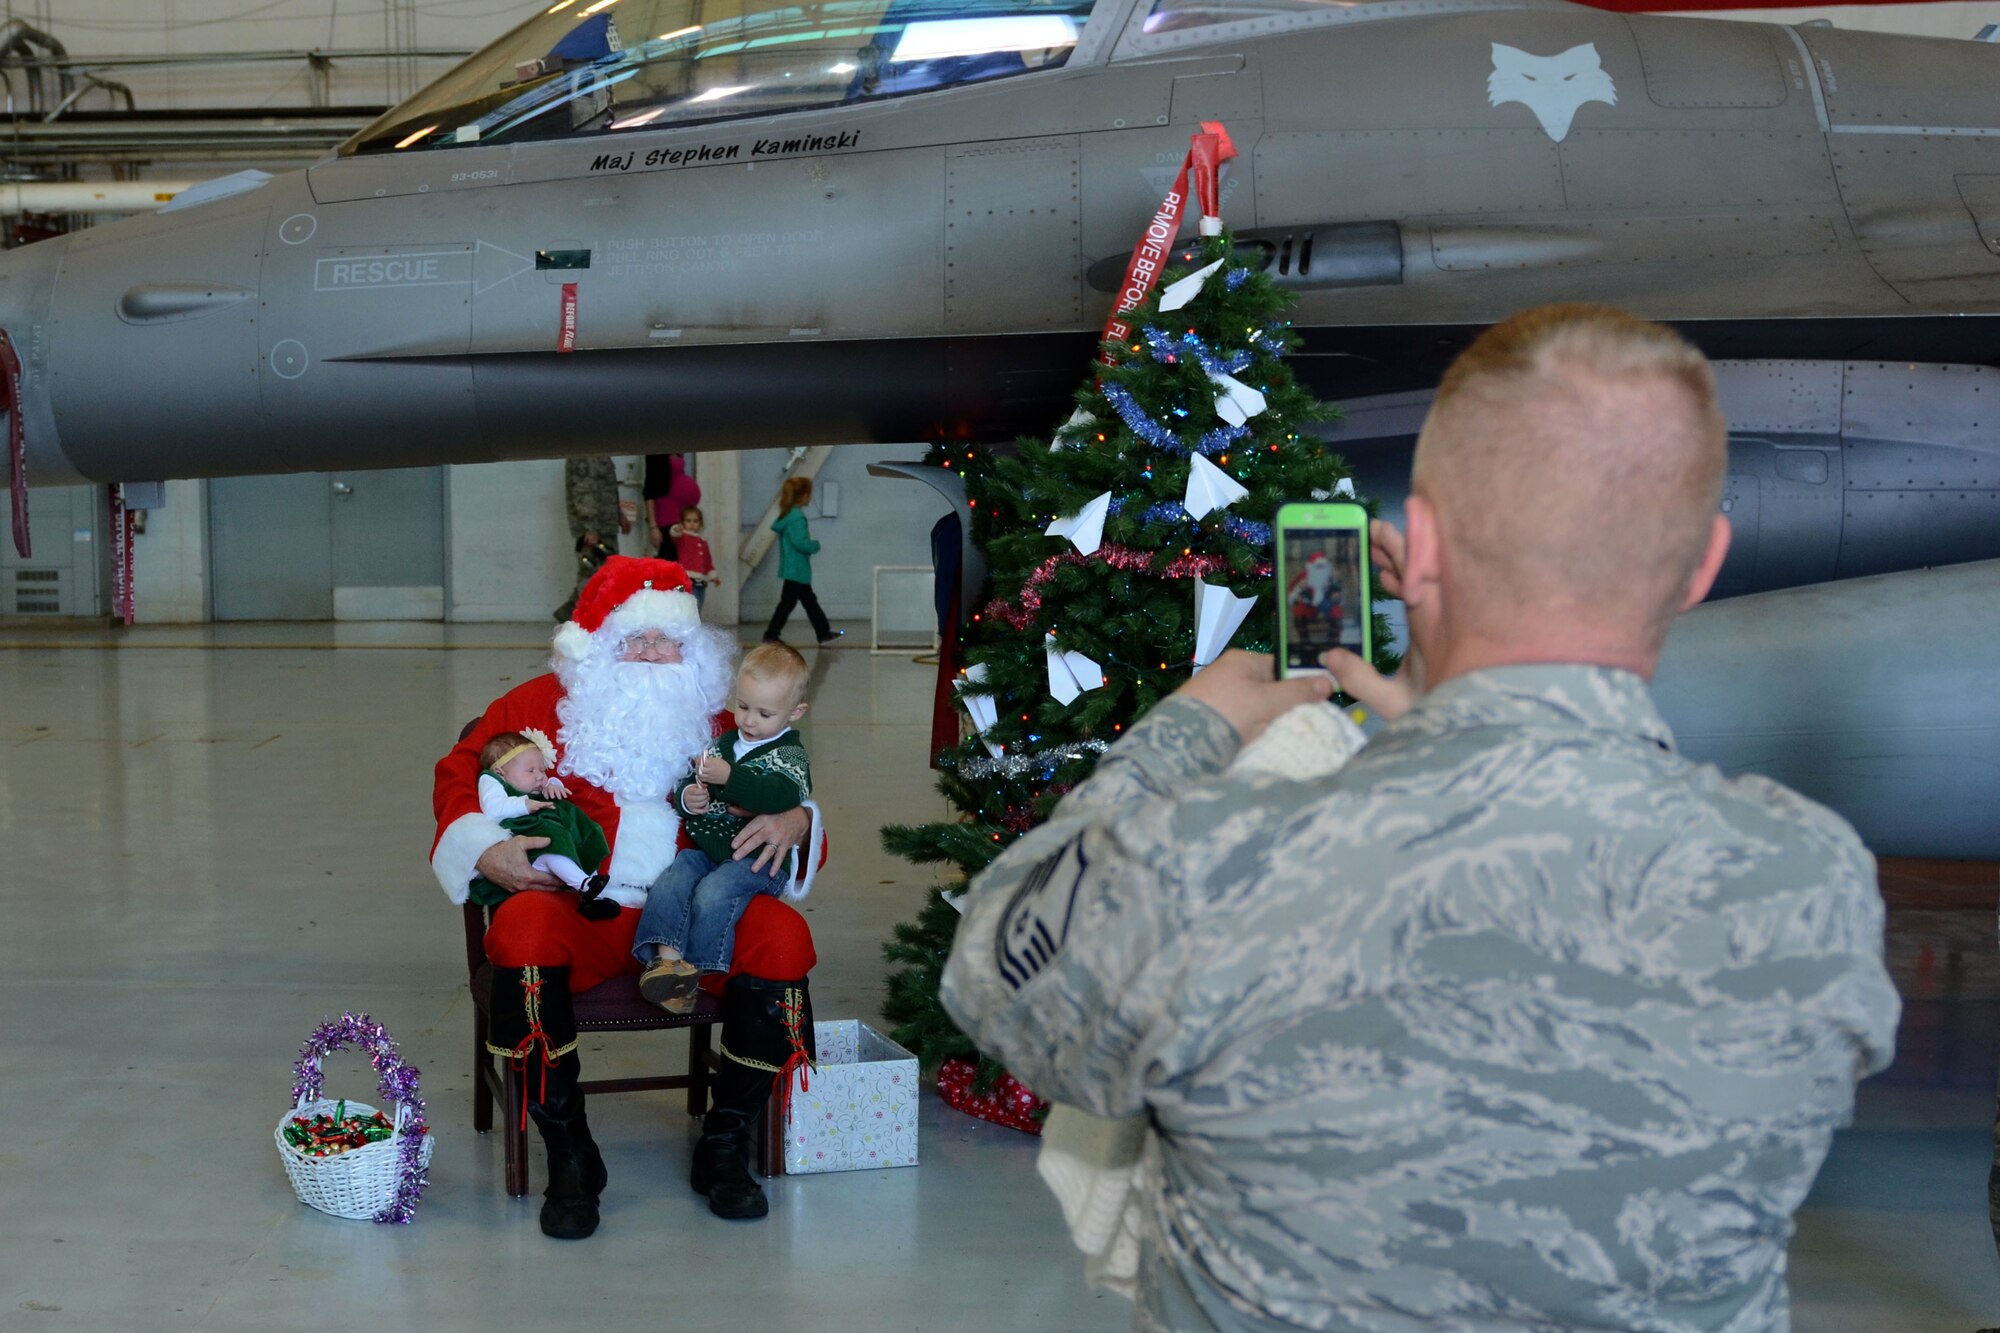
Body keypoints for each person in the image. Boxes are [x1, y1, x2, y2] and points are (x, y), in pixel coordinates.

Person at [940, 304, 1900, 1331]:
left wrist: (1193, 726)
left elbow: (994, 958)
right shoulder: (1806, 886)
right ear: (1701, 564)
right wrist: (1453, 734)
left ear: (1419, 546)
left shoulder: (1208, 867)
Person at [433, 555, 820, 1237]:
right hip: (580, 904)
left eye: (663, 639)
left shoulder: (727, 716)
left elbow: (787, 780)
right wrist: (482, 845)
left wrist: (801, 819)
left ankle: (725, 1144)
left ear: (691, 648)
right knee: (522, 933)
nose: (647, 653)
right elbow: (461, 764)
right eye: (631, 638)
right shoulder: (538, 705)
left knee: (783, 940)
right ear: (600, 645)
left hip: (698, 910)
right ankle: (571, 1151)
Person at [635, 642, 816, 1013]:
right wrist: (690, 797)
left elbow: (780, 796)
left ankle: (697, 972)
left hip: (758, 860)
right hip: (709, 850)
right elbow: (690, 778)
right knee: (675, 876)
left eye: (764, 713)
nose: (749, 721)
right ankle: (665, 961)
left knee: (715, 892)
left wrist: (732, 777)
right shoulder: (724, 743)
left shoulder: (791, 756)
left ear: (795, 712)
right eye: (744, 706)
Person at [476, 730, 615, 917]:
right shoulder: (491, 781)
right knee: (554, 845)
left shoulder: (535, 783)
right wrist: (525, 804)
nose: (540, 776)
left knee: (584, 835)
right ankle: (584, 885)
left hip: (552, 826)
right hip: (527, 834)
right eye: (531, 770)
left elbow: (548, 781)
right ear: (501, 773)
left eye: (542, 770)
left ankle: (592, 897)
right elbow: (493, 809)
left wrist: (553, 785)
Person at [763, 476, 840, 646]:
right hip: (797, 569)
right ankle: (771, 635)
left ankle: (823, 633)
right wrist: (815, 545)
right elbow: (800, 542)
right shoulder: (797, 517)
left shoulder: (788, 515)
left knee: (807, 602)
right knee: (790, 604)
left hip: (793, 569)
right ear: (804, 495)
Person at [557, 454, 628, 620]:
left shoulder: (599, 451)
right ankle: (581, 616)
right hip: (593, 529)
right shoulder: (584, 454)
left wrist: (620, 515)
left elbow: (607, 488)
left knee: (605, 572)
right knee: (590, 575)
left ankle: (573, 614)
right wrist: (590, 528)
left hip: (605, 526)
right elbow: (584, 493)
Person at [673, 505, 719, 610]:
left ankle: (695, 623)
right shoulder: (683, 537)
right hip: (687, 578)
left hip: (701, 580)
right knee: (689, 605)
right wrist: (677, 529)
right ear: (682, 523)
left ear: (700, 523)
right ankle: (689, 623)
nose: (692, 524)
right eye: (688, 521)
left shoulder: (702, 541)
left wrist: (713, 576)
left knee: (699, 604)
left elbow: (707, 561)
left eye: (695, 521)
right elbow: (674, 535)